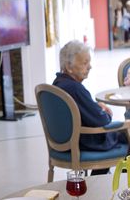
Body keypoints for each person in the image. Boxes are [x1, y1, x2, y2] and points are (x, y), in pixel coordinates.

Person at [53, 40, 127, 175]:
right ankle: (122, 183)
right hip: (83, 142)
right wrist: (105, 112)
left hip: (65, 142)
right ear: (69, 67)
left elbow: (83, 109)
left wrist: (95, 106)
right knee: (127, 133)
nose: (90, 66)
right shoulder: (75, 89)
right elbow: (102, 121)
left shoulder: (58, 84)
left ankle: (101, 179)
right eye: (84, 63)